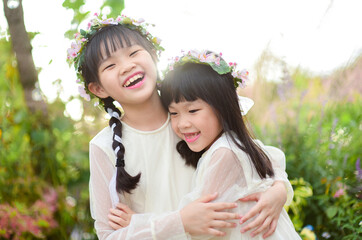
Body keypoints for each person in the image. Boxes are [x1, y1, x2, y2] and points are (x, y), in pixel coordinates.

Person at [67, 13, 293, 239]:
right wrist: (179, 222)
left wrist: (279, 189)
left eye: (134, 52)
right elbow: (108, 234)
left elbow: (250, 155)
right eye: (110, 65)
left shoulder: (191, 117)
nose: (127, 66)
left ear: (154, 55)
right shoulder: (104, 146)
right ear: (98, 89)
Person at [156, 50, 301, 239]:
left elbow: (199, 222)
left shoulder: (225, 152)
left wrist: (147, 225)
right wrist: (279, 187)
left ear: (222, 108)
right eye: (173, 113)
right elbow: (274, 163)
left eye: (192, 110)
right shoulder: (236, 144)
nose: (182, 123)